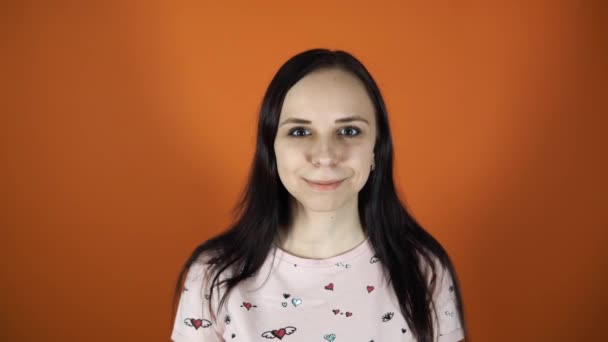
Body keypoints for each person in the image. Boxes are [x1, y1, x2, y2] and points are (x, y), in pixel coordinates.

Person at [170, 49, 468, 342]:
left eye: (349, 131)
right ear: (271, 149)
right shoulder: (213, 276)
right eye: (300, 132)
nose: (325, 156)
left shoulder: (424, 271)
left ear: (377, 148)